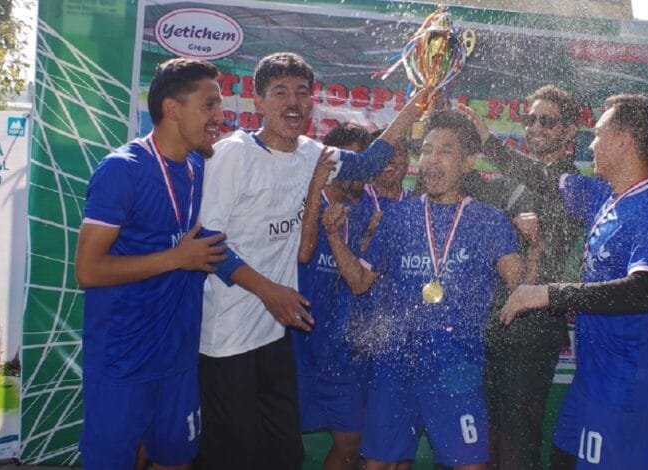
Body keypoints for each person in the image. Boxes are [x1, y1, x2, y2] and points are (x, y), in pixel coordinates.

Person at [196, 52, 423, 469]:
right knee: (231, 455)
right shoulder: (232, 154)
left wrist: (418, 101)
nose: (293, 102)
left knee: (285, 454)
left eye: (302, 92)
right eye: (280, 92)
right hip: (227, 338)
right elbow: (208, 243)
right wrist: (270, 292)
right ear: (258, 100)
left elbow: (370, 162)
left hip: (274, 336)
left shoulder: (312, 154)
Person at [323, 110, 536, 470]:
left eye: (445, 151)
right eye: (426, 150)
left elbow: (522, 288)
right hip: (395, 364)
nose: (432, 160)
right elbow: (359, 283)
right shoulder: (397, 217)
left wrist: (536, 247)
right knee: (378, 465)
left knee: (469, 466)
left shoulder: (489, 220)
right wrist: (333, 236)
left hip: (456, 368)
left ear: (468, 162)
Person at [499, 94, 648, 469]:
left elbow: (644, 292)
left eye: (599, 134)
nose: (591, 144)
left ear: (624, 142)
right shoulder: (604, 196)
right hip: (590, 382)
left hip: (626, 388)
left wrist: (548, 294)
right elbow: (542, 177)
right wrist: (486, 140)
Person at [75, 58, 231, 470]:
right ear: (172, 109)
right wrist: (177, 258)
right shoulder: (121, 171)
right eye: (209, 105)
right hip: (122, 361)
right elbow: (88, 270)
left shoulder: (199, 166)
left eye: (219, 105)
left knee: (176, 460)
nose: (219, 116)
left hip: (178, 359)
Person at [457, 85, 583, 470]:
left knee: (517, 443)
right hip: (494, 326)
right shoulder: (512, 181)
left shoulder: (572, 183)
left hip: (533, 331)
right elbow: (475, 191)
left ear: (569, 131)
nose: (536, 127)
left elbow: (542, 195)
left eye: (548, 121)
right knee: (489, 438)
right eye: (530, 119)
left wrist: (488, 142)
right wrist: (449, 149)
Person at [294, 123, 374, 470]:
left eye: (364, 163)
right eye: (352, 161)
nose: (359, 172)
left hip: (341, 354)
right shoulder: (304, 201)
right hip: (297, 346)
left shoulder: (368, 211)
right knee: (282, 442)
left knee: (351, 443)